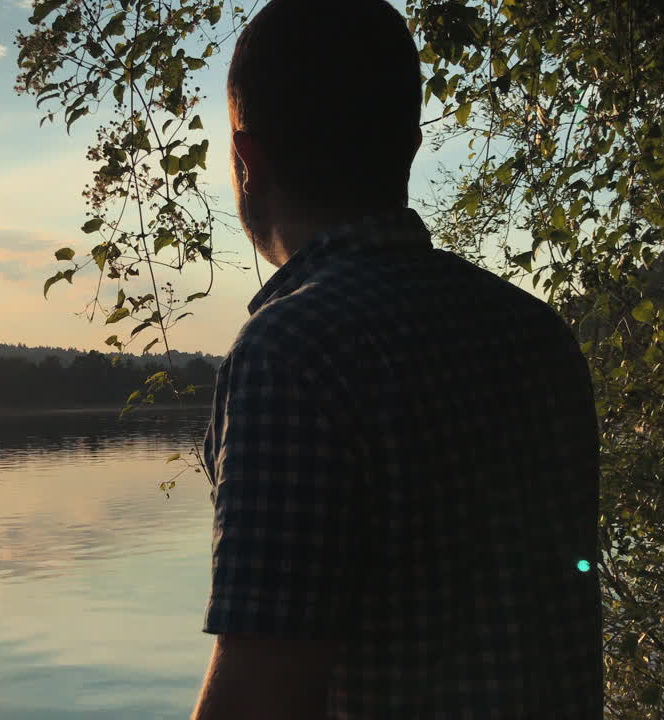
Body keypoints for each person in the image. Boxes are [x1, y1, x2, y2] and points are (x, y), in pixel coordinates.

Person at [190, 1, 603, 717]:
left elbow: (261, 693)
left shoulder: (293, 354)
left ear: (248, 163)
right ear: (410, 148)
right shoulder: (537, 334)